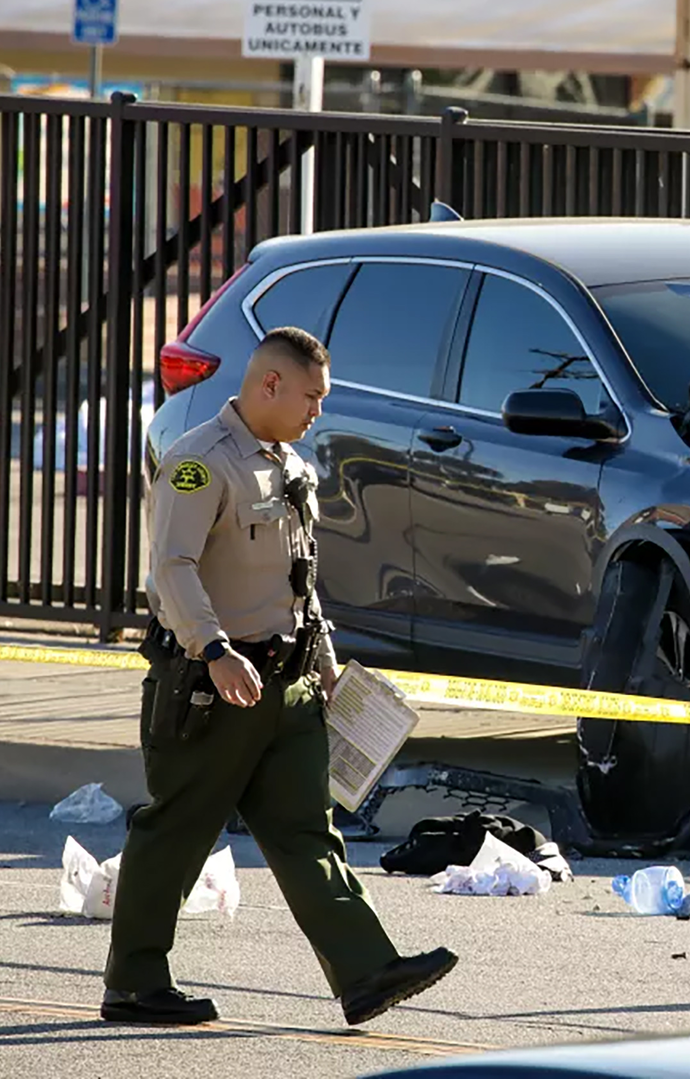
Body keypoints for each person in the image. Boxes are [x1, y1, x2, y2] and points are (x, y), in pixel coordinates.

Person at [101, 326, 456, 1027]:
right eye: (312, 396)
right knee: (177, 829)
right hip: (213, 686)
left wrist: (324, 662)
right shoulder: (200, 462)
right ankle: (135, 981)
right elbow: (170, 568)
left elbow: (300, 576)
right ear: (269, 384)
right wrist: (213, 648)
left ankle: (364, 970)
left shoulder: (289, 466)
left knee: (306, 830)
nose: (318, 410)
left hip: (286, 686)